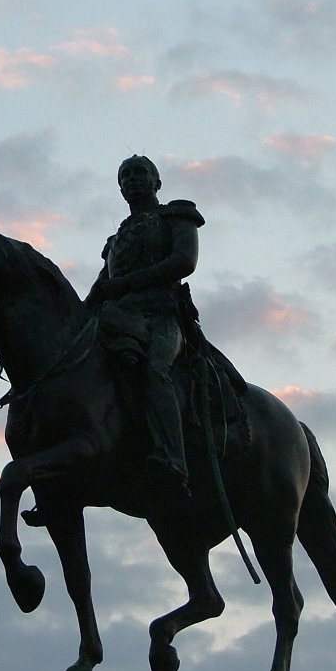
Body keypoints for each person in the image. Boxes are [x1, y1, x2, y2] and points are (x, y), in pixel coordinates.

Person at [85, 155, 204, 496]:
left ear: (157, 182)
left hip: (162, 317)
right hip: (119, 320)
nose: (133, 179)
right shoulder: (116, 240)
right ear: (120, 187)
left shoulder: (176, 215)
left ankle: (174, 458)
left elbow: (184, 261)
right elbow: (99, 289)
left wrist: (126, 285)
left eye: (141, 173)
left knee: (156, 369)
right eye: (125, 175)